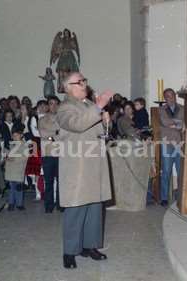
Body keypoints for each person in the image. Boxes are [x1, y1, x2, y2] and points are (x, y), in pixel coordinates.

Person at [57, 72, 113, 269]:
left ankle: (90, 246)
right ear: (67, 87)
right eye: (79, 82)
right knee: (76, 208)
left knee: (94, 208)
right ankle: (70, 252)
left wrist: (107, 122)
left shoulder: (89, 104)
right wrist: (99, 107)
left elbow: (100, 132)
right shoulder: (65, 107)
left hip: (94, 163)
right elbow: (77, 124)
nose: (84, 84)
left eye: (84, 81)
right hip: (77, 166)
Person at [159, 88, 184, 206]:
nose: (170, 98)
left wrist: (176, 124)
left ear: (175, 96)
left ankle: (180, 195)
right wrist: (177, 124)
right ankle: (164, 197)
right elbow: (165, 122)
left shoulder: (182, 108)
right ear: (165, 98)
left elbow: (183, 123)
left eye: (172, 95)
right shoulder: (161, 109)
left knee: (180, 171)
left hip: (179, 143)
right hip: (167, 143)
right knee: (166, 171)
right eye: (167, 96)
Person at [38, 95, 61, 213]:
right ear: (48, 106)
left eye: (56, 103)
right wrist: (55, 133)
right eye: (51, 103)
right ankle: (49, 206)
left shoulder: (63, 119)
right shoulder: (42, 119)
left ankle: (61, 205)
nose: (54, 106)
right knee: (49, 181)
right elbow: (42, 133)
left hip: (61, 154)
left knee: (61, 181)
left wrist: (51, 135)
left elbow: (64, 134)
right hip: (47, 154)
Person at [4, 124, 29, 211]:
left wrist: (12, 159)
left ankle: (19, 204)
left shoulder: (24, 145)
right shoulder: (12, 145)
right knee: (11, 188)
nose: (14, 137)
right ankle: (11, 203)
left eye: (16, 135)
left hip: (18, 170)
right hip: (11, 170)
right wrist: (6, 156)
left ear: (21, 135)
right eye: (13, 135)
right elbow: (7, 155)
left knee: (19, 188)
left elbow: (24, 157)